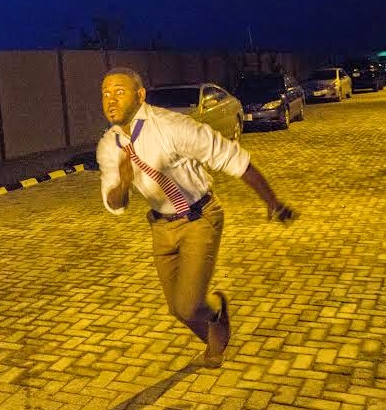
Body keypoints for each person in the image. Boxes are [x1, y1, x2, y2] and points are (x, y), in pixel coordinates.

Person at [96, 67, 295, 368]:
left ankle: (216, 311)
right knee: (177, 309)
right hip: (161, 226)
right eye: (105, 94)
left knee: (189, 305)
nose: (111, 99)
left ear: (140, 95)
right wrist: (123, 183)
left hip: (200, 217)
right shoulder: (108, 146)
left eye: (119, 92)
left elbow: (230, 157)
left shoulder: (172, 127)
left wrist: (272, 201)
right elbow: (115, 203)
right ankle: (214, 323)